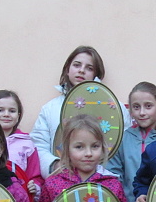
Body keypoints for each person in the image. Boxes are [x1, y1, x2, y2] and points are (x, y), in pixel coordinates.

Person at [31, 46, 131, 179]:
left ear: (96, 74)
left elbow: (125, 147)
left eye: (89, 68)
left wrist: (109, 177)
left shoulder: (115, 108)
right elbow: (38, 145)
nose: (81, 70)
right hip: (62, 182)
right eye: (77, 65)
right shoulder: (50, 109)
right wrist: (55, 165)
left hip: (102, 183)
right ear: (67, 69)